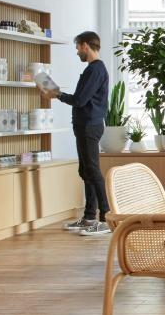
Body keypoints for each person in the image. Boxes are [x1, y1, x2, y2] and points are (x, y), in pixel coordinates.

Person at [38, 31, 111, 236]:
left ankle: (106, 217)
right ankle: (89, 216)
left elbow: (80, 100)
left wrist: (57, 94)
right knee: (86, 170)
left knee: (93, 170)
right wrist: (58, 94)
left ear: (86, 45)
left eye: (78, 46)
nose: (77, 51)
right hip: (85, 125)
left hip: (89, 126)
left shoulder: (95, 70)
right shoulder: (93, 69)